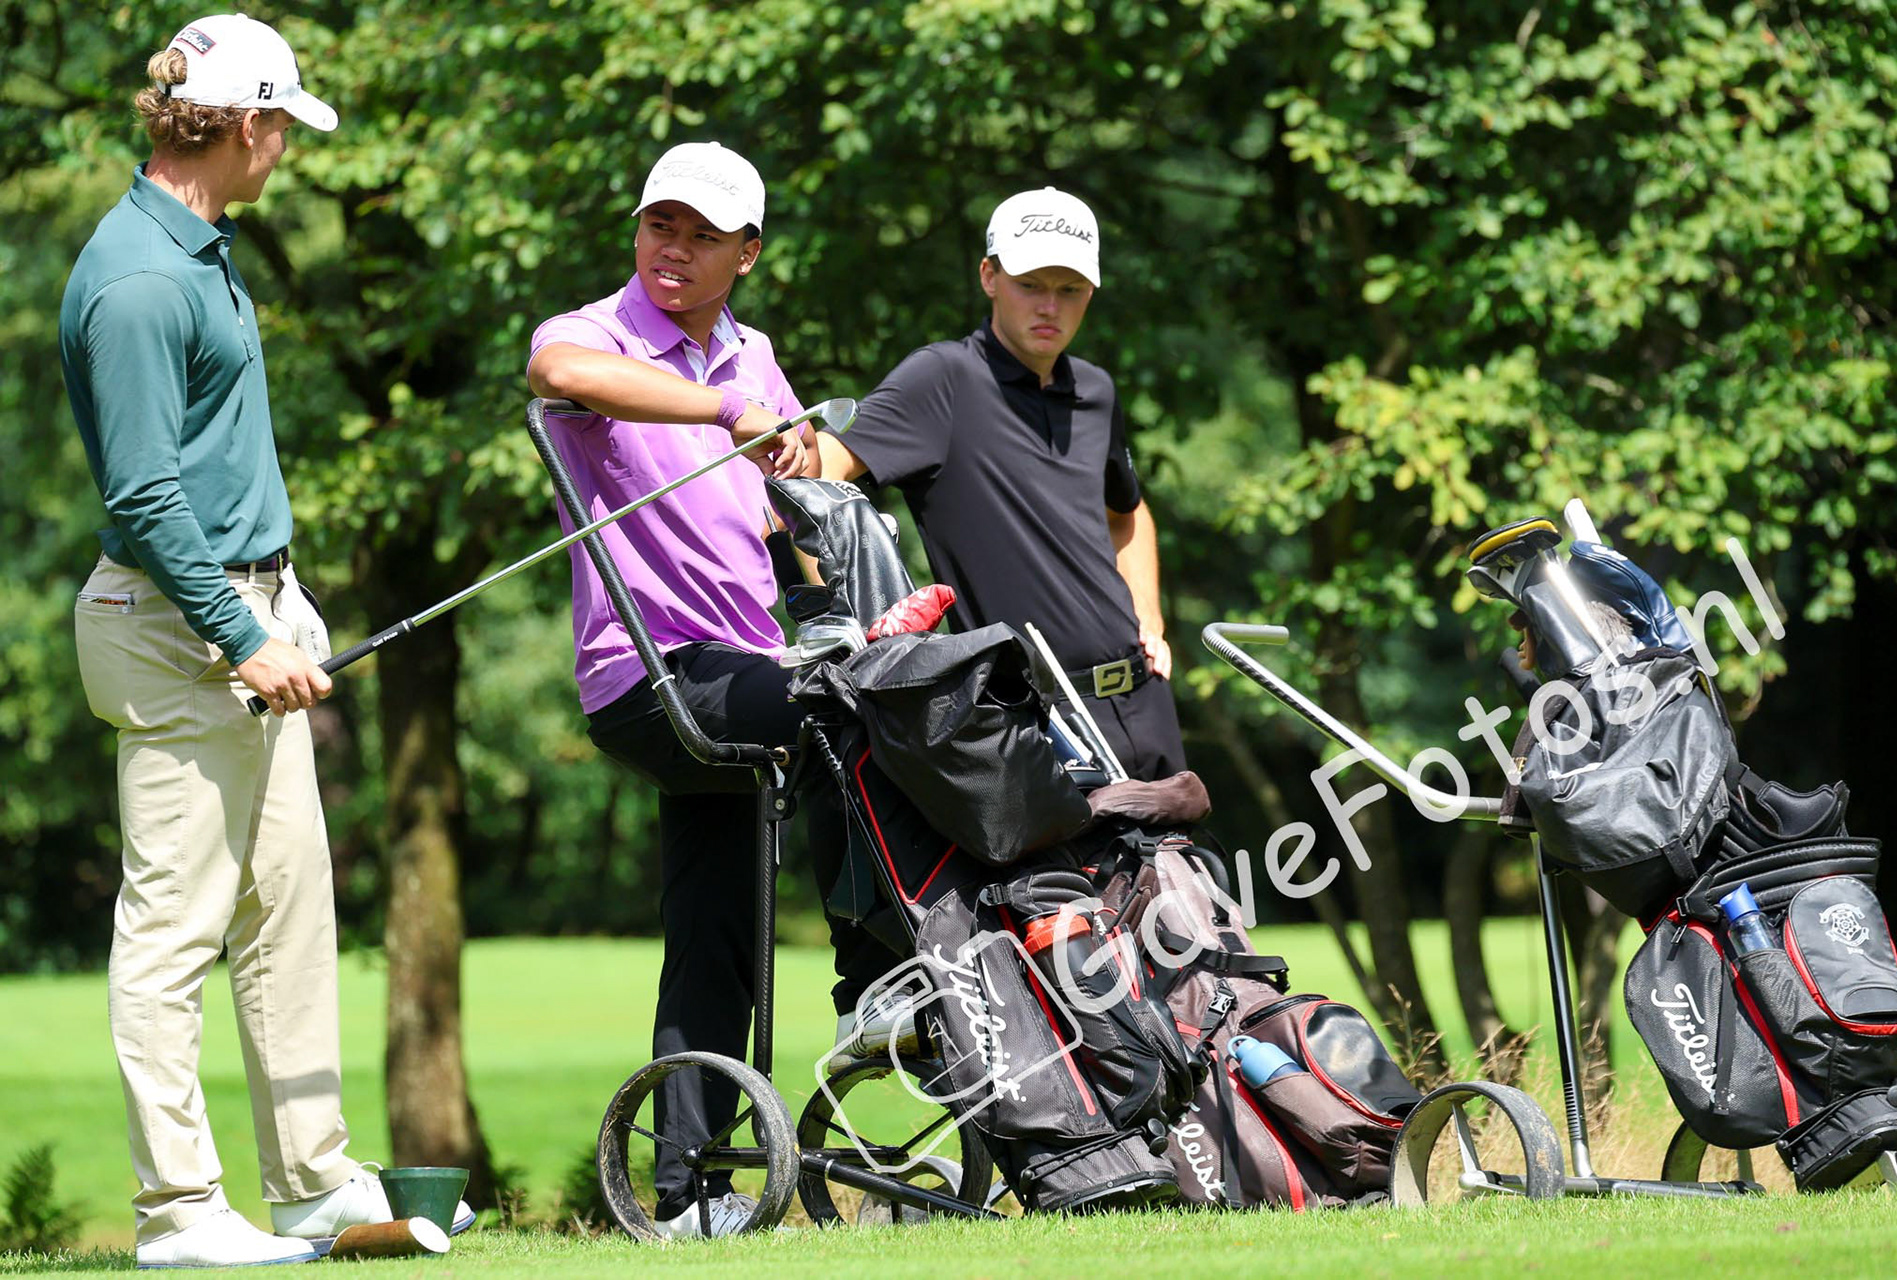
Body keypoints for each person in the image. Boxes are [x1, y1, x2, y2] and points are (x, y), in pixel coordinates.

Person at [60, 15, 466, 1268]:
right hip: (176, 630)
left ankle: (311, 1183)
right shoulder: (139, 281)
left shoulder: (202, 247)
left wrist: (281, 602)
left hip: (246, 610)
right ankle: (179, 1210)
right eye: (282, 124)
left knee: (287, 908)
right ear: (246, 125)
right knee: (175, 926)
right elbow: (143, 496)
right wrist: (244, 631)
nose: (286, 146)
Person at [527, 140, 894, 1238]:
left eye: (702, 235)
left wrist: (814, 499)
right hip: (651, 674)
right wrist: (722, 412)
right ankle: (874, 986)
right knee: (846, 715)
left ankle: (690, 1189)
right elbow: (560, 377)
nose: (674, 249)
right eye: (660, 225)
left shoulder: (752, 352)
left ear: (748, 252)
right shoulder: (594, 331)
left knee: (715, 930)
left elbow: (795, 497)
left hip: (748, 667)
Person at [816, 187, 1186, 780]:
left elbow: (1129, 513)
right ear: (989, 277)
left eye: (1070, 289)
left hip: (1145, 701)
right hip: (1036, 723)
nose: (1050, 307)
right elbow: (815, 475)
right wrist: (854, 624)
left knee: (1190, 845)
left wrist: (1150, 615)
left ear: (1091, 292)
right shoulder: (944, 379)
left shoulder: (1096, 391)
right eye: (1030, 285)